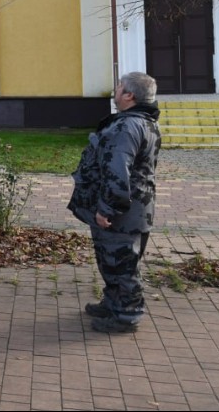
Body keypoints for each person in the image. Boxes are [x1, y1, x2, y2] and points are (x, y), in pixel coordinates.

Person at [67, 71, 161, 334]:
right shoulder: (144, 122)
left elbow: (117, 171)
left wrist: (107, 208)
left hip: (122, 212)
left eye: (119, 87)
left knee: (122, 263)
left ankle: (127, 315)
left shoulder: (127, 127)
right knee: (111, 259)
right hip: (133, 208)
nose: (115, 90)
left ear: (129, 95)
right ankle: (113, 302)